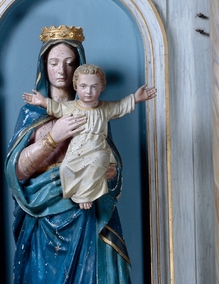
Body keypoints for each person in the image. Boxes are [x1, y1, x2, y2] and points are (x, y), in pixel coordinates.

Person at [5, 26, 139, 284]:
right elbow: (18, 172)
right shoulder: (34, 114)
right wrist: (53, 139)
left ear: (80, 68)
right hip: (45, 231)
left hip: (87, 226)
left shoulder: (93, 112)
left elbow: (109, 164)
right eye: (54, 61)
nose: (61, 69)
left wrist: (109, 173)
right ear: (43, 65)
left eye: (69, 62)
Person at [23, 63, 156, 209]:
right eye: (83, 86)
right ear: (76, 86)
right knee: (66, 168)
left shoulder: (105, 108)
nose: (88, 91)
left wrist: (135, 98)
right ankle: (76, 192)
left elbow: (120, 106)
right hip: (77, 149)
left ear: (101, 88)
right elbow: (57, 108)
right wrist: (42, 101)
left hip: (98, 148)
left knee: (95, 164)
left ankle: (84, 196)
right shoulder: (71, 107)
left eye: (94, 87)